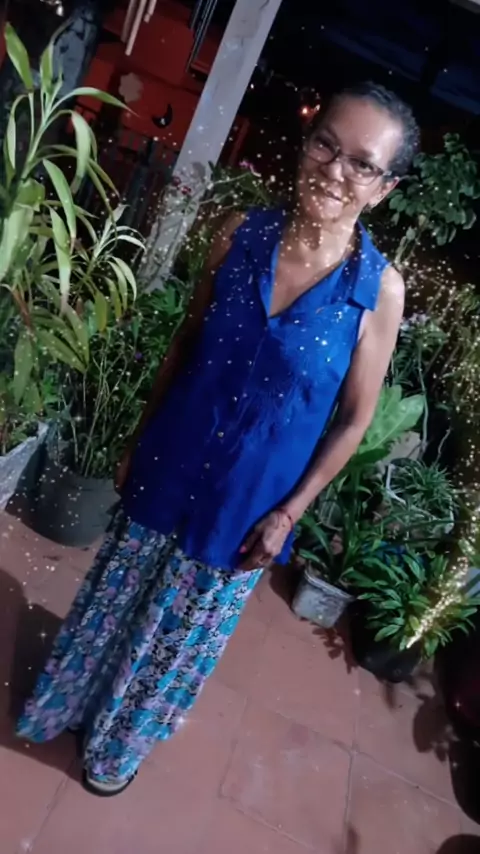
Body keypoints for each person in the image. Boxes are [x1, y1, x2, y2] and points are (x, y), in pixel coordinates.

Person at [17, 81, 420, 795]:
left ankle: (115, 748)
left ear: (384, 188)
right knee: (116, 597)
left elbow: (356, 417)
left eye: (362, 164)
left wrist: (290, 512)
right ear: (306, 144)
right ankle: (66, 706)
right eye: (326, 145)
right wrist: (137, 439)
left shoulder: (378, 293)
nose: (335, 170)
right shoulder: (239, 233)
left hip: (248, 503)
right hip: (171, 457)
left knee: (176, 636)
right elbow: (187, 340)